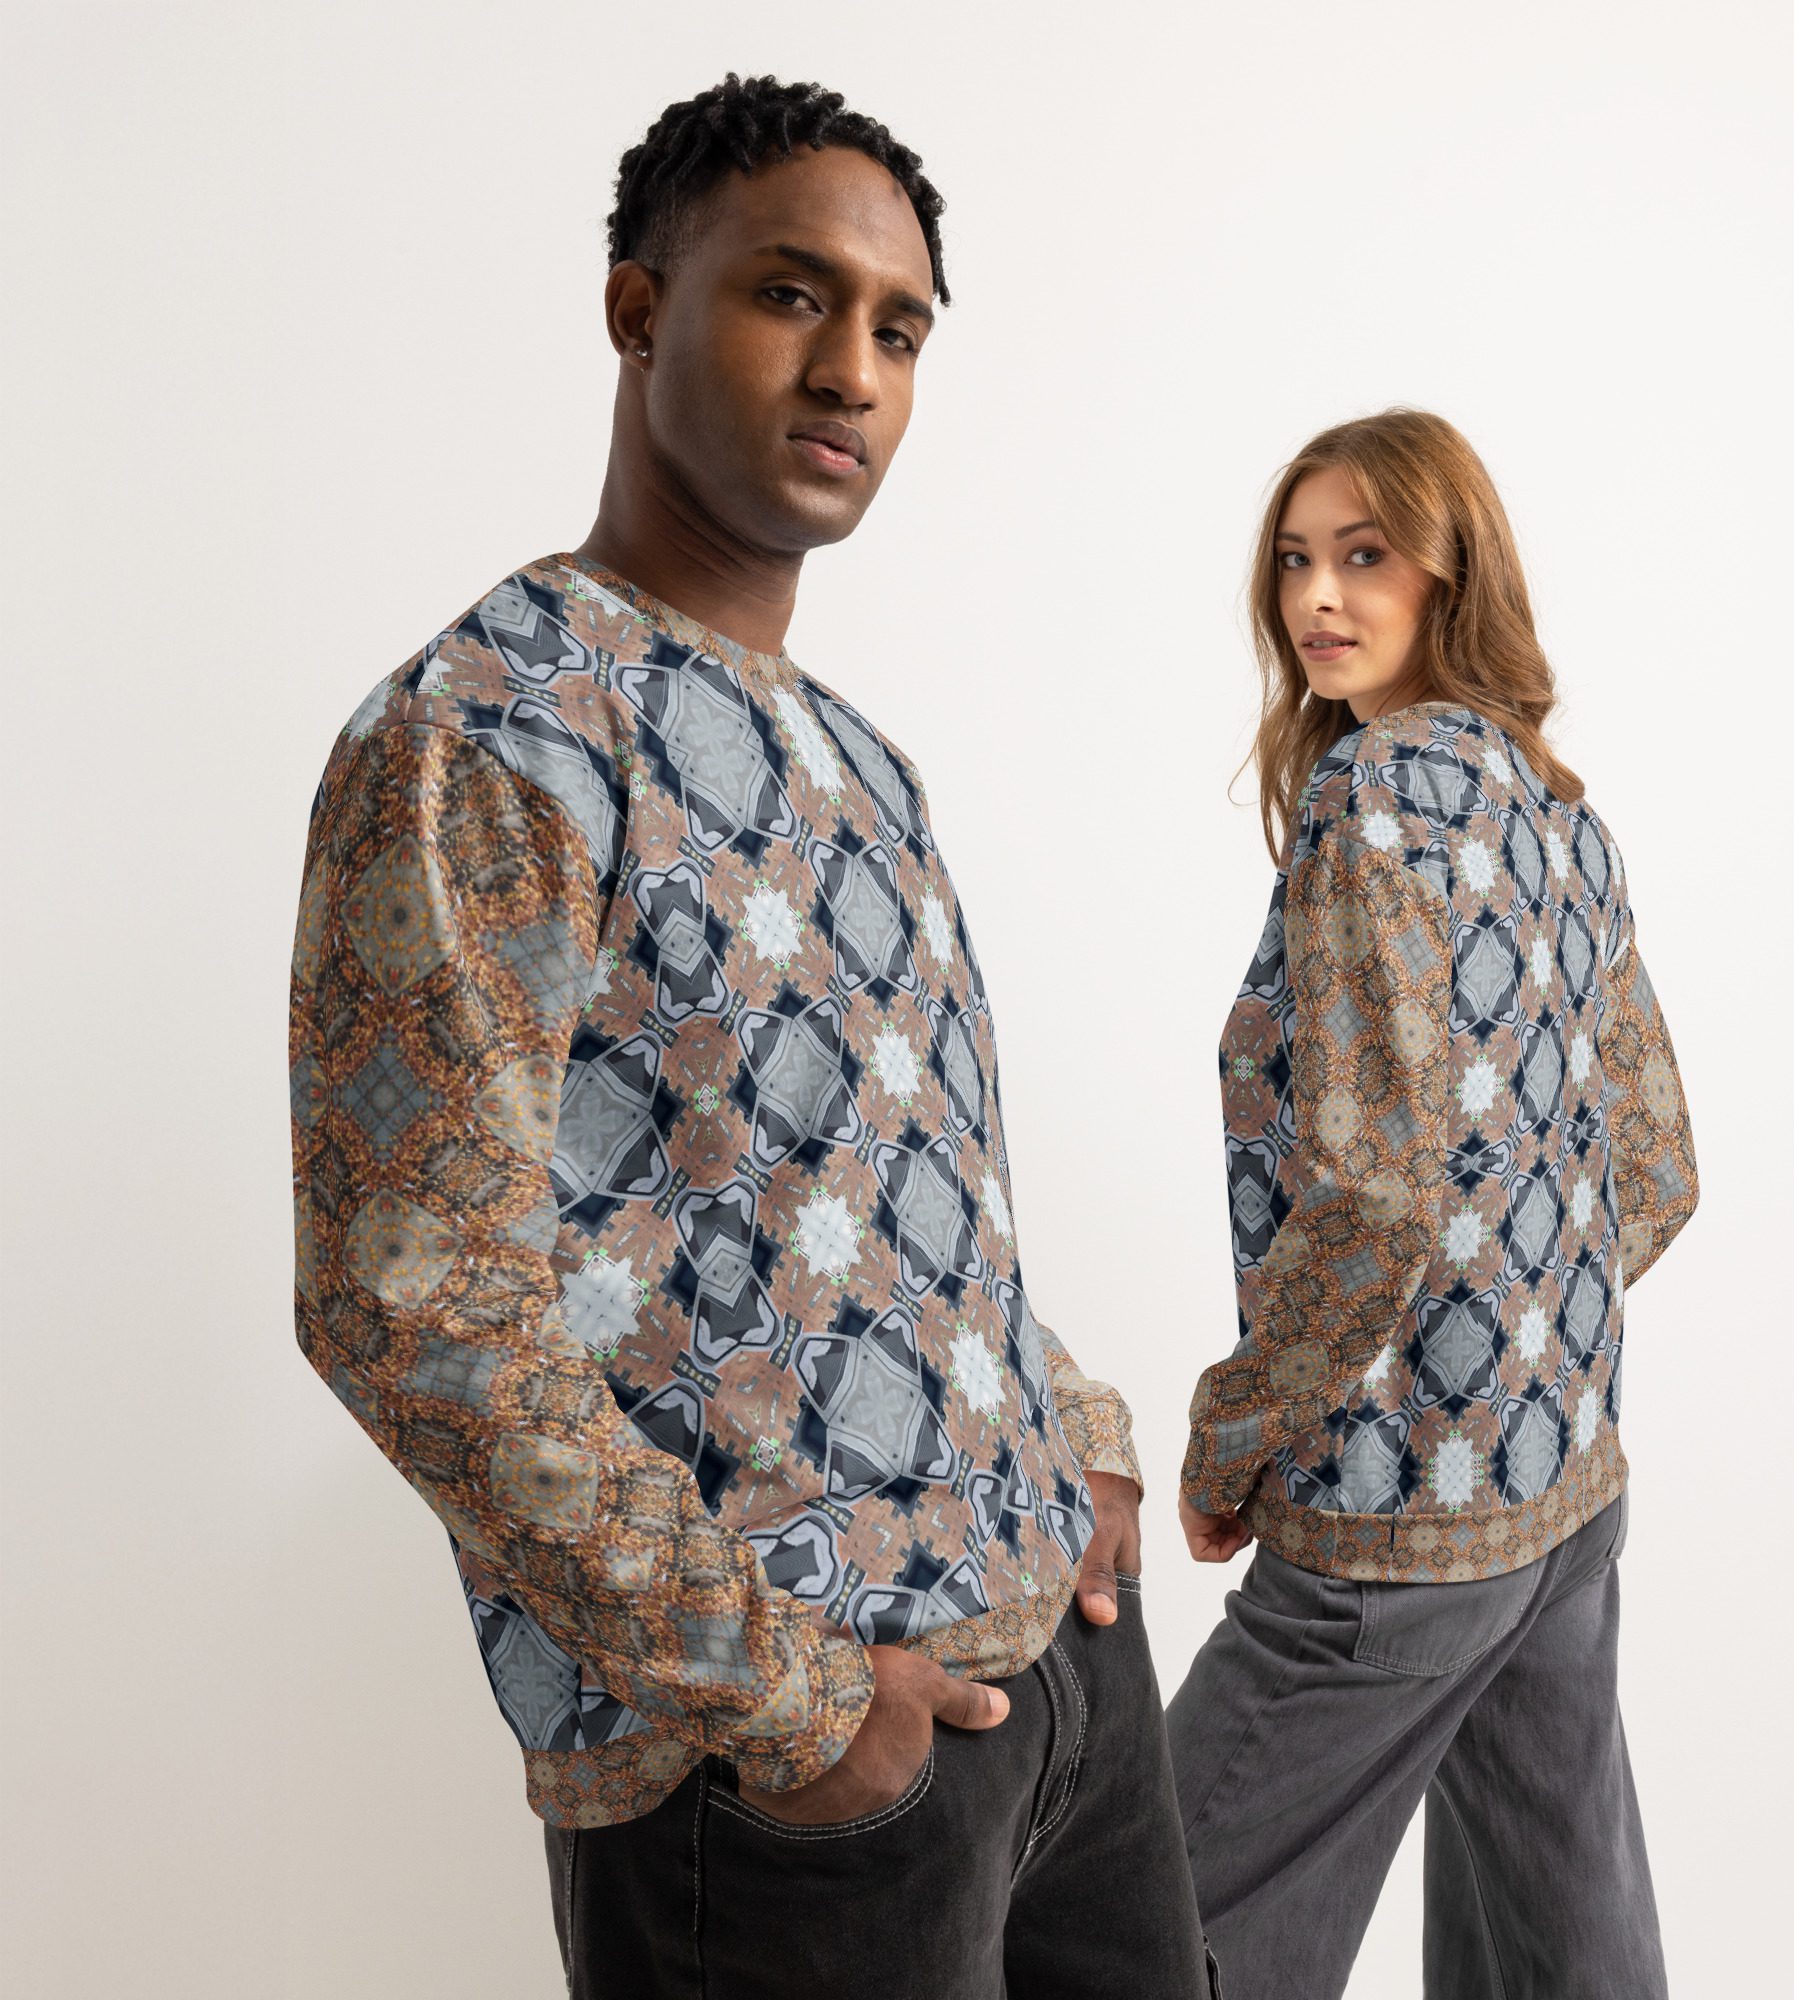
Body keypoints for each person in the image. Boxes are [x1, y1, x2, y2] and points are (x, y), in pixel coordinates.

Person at [287, 72, 1214, 2000]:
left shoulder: (866, 758)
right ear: (639, 311)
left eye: (901, 330)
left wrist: (1084, 1444)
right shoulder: (492, 733)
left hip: (1066, 1688)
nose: (853, 371)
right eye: (792, 295)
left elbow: (886, 1205)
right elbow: (408, 1302)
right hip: (796, 1766)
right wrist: (787, 1698)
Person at [1170, 409, 1699, 1997]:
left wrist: (1235, 1433)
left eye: (1365, 555)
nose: (1318, 598)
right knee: (1561, 1938)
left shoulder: (1371, 802)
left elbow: (1373, 1199)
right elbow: (1657, 1162)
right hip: (1565, 1484)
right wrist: (1521, 1333)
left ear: (1452, 572)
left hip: (1393, 1520)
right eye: (1294, 561)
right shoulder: (1555, 806)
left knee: (1126, 1927)